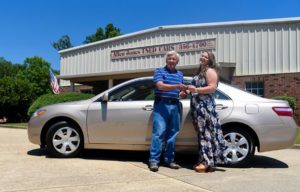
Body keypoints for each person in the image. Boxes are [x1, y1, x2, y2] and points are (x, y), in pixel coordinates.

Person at [187, 50, 227, 173]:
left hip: (205, 107)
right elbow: (196, 88)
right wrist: (187, 91)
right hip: (198, 108)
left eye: (206, 56)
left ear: (210, 60)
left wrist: (196, 90)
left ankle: (206, 163)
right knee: (202, 135)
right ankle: (205, 161)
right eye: (202, 56)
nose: (203, 58)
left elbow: (212, 87)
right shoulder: (200, 71)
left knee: (206, 135)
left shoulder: (210, 71)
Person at [149, 50, 187, 172]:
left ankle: (169, 160)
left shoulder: (180, 74)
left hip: (175, 105)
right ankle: (154, 161)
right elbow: (160, 86)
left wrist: (182, 93)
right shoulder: (159, 71)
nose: (171, 60)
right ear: (166, 60)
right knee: (159, 133)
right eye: (169, 58)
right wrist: (177, 87)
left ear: (177, 61)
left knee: (172, 134)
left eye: (173, 59)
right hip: (161, 105)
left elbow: (182, 91)